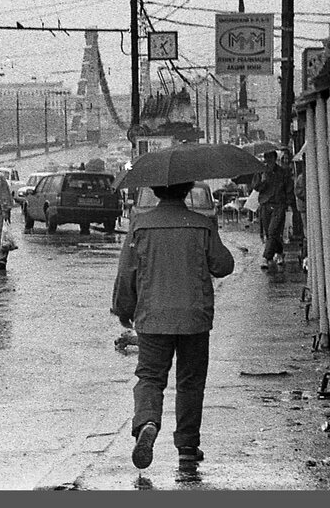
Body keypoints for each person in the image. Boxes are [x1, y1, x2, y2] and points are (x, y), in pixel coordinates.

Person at [111, 181, 235, 471]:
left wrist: (123, 310)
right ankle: (188, 448)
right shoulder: (201, 224)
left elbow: (127, 271)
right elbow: (224, 265)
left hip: (152, 317)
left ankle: (147, 422)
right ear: (187, 189)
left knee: (150, 377)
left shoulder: (140, 225)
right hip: (194, 317)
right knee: (190, 382)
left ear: (154, 190)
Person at [250, 151, 294, 269]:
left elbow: (288, 187)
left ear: (275, 159)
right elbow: (255, 187)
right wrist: (262, 180)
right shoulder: (261, 172)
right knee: (271, 232)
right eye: (267, 158)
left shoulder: (282, 172)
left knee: (272, 230)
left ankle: (266, 257)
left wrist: (289, 204)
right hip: (265, 204)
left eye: (271, 158)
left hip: (279, 204)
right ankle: (279, 252)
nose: (269, 160)